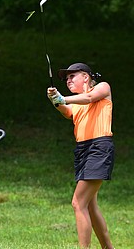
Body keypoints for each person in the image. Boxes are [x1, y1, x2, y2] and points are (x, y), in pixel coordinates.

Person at [47, 63, 115, 249]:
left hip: (99, 147)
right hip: (83, 150)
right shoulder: (77, 101)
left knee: (78, 202)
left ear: (85, 77)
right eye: (66, 79)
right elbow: (68, 112)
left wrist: (63, 98)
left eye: (72, 77)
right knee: (90, 206)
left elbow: (90, 97)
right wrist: (57, 102)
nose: (68, 81)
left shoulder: (102, 87)